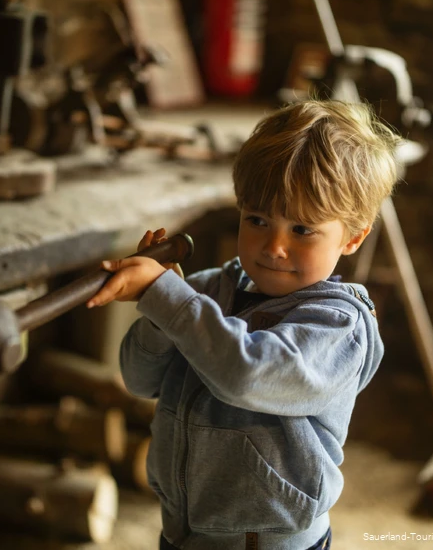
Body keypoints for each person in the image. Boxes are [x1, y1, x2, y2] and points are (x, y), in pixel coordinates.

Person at [86, 99, 403, 549]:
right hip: (182, 527)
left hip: (267, 541)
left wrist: (168, 300)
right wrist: (160, 314)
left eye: (302, 230)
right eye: (257, 219)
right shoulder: (210, 290)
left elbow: (246, 371)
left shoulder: (337, 325)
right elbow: (138, 379)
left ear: (352, 236)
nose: (273, 246)